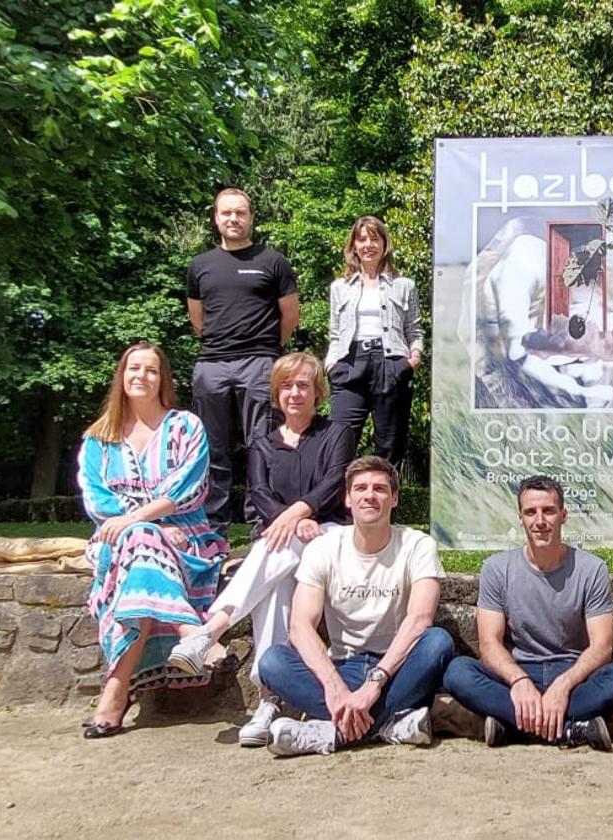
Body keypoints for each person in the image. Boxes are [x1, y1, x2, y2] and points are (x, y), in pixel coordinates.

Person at [166, 352, 354, 747]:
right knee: (275, 589)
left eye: (303, 385)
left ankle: (210, 631)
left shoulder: (336, 432)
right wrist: (288, 521)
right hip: (283, 540)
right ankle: (269, 700)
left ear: (317, 392)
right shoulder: (262, 443)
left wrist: (301, 514)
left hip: (329, 532)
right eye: (287, 385)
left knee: (277, 546)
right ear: (276, 394)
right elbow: (260, 493)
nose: (295, 393)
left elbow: (336, 480)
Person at [76, 343, 229, 739]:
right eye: (133, 369)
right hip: (119, 540)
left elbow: (188, 488)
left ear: (163, 380)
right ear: (121, 377)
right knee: (142, 540)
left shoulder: (186, 427)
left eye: (151, 370)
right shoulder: (98, 440)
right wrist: (150, 525)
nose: (141, 376)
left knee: (142, 545)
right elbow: (97, 500)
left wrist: (140, 519)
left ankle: (115, 691)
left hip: (186, 537)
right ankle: (193, 634)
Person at [256, 456, 453, 756]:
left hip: (397, 669)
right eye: (360, 488)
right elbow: (300, 626)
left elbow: (419, 620)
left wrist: (374, 685)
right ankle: (386, 726)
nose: (369, 495)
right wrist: (335, 687)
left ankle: (329, 733)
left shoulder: (418, 545)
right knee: (272, 662)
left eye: (380, 489)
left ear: (394, 498)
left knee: (438, 642)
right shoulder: (323, 548)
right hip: (342, 666)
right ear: (347, 499)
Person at [442, 475, 613, 751]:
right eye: (530, 512)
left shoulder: (591, 569)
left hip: (573, 676)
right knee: (457, 673)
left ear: (563, 515)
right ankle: (571, 729)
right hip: (519, 670)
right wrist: (519, 681)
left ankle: (512, 727)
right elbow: (488, 645)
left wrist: (563, 685)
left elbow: (601, 646)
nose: (540, 521)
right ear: (520, 518)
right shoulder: (497, 568)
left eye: (548, 511)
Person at [187, 187, 300, 535]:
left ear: (251, 218)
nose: (233, 219)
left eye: (240, 212)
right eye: (226, 213)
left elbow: (290, 317)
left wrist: (266, 349)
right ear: (216, 218)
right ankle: (212, 528)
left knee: (262, 445)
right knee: (211, 448)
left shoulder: (273, 261)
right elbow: (197, 320)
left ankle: (260, 523)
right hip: (212, 365)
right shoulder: (200, 265)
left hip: (260, 363)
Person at [324, 216, 424, 467]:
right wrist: (331, 363)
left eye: (374, 238)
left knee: (390, 446)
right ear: (354, 246)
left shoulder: (404, 286)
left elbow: (414, 330)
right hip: (349, 362)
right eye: (362, 239)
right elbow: (335, 332)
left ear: (384, 244)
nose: (368, 244)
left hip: (390, 363)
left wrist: (412, 359)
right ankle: (337, 505)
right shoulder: (340, 287)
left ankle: (386, 503)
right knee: (338, 441)